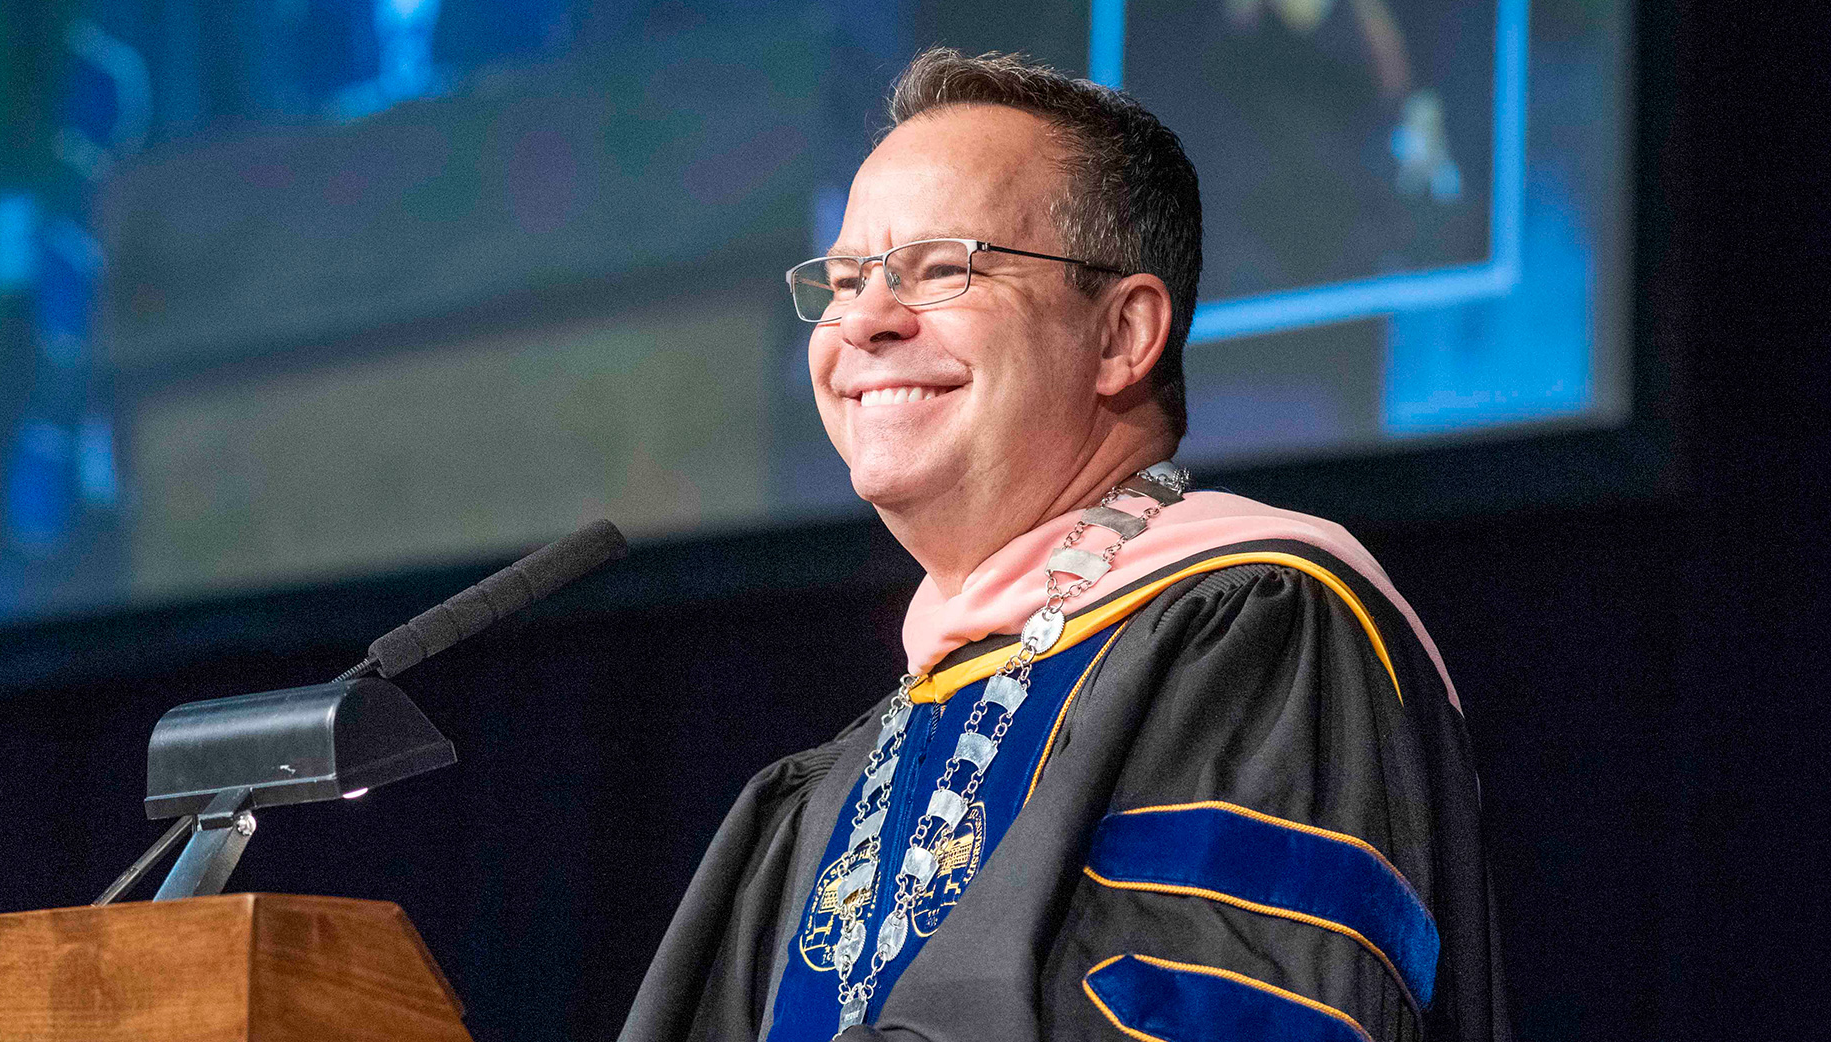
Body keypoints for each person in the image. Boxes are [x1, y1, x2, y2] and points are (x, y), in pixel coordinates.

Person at [619, 49, 1504, 1042]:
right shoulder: (827, 789)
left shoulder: (1265, 635)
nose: (861, 321)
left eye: (940, 268)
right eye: (844, 279)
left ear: (1122, 334)